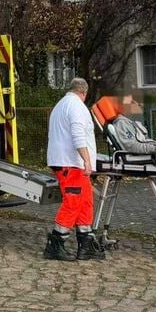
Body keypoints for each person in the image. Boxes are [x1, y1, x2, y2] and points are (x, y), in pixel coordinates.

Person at [43, 77, 105, 261]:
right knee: (73, 202)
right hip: (71, 163)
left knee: (85, 201)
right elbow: (78, 136)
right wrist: (87, 160)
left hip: (66, 162)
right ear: (84, 93)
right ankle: (56, 244)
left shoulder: (61, 105)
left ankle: (85, 245)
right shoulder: (77, 107)